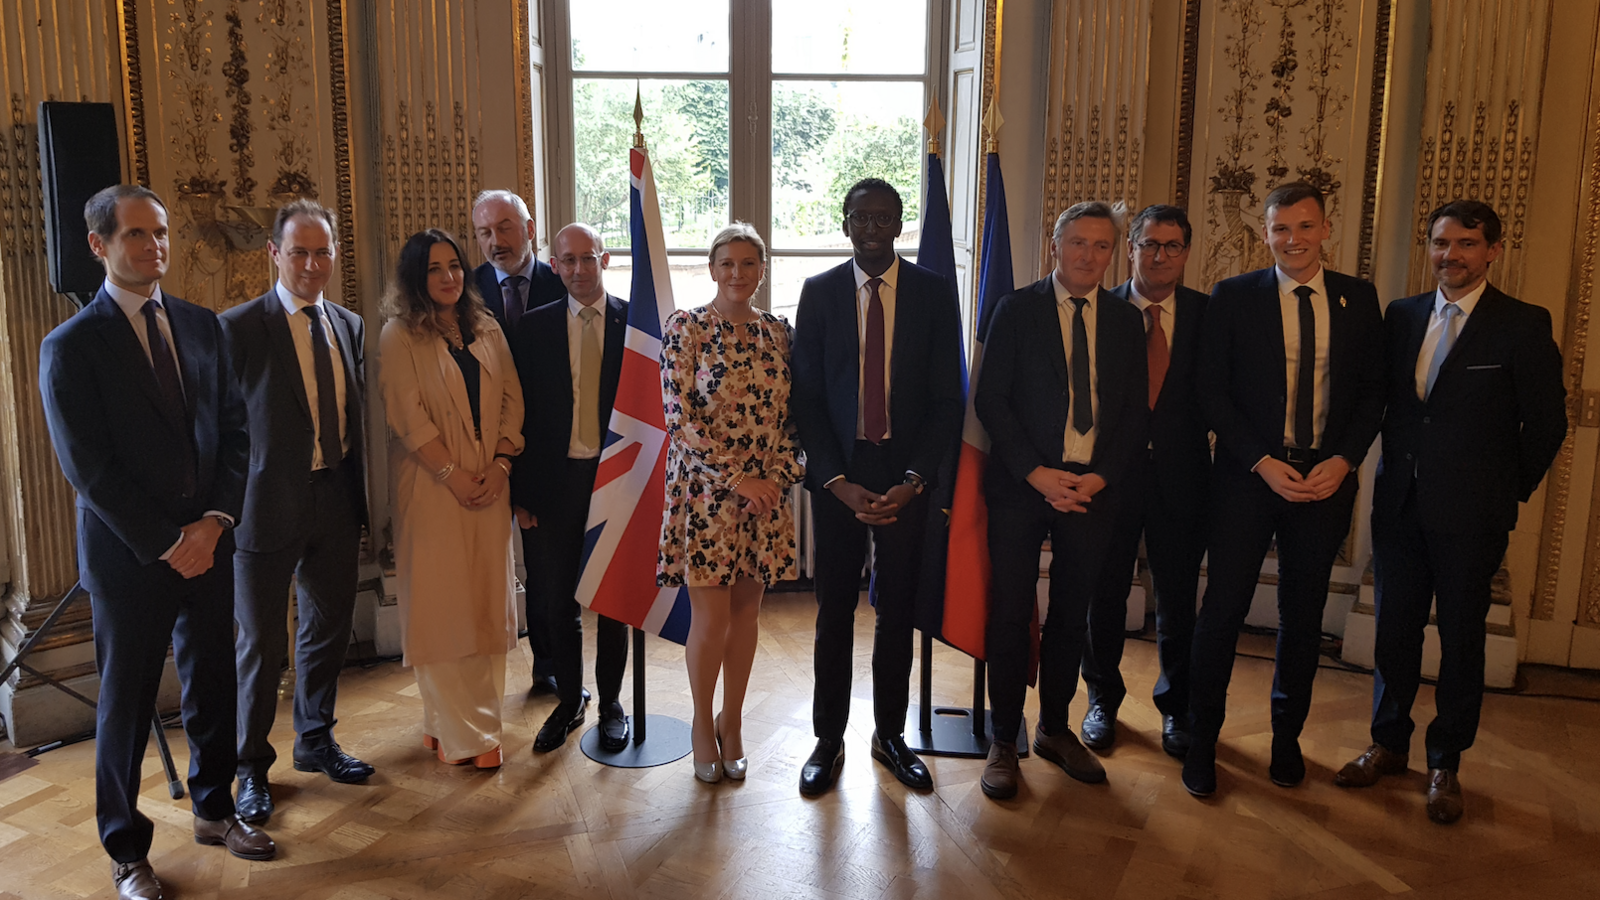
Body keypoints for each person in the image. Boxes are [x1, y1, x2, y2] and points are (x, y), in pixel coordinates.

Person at [39, 185, 273, 900]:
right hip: (129, 555)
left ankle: (214, 810)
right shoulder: (71, 346)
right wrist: (169, 541)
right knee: (128, 702)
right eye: (137, 235)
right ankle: (125, 850)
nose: (155, 247)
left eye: (162, 233)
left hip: (209, 540)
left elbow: (236, 433)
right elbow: (89, 468)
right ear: (99, 245)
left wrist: (214, 523)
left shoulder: (204, 326)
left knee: (212, 682)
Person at [1335, 200, 1566, 823]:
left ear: (1492, 251)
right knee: (1394, 633)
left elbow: (1546, 424)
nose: (1451, 255)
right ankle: (1387, 743)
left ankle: (1446, 762)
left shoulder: (1521, 324)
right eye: (1441, 243)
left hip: (1474, 515)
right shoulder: (1404, 315)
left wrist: (1503, 491)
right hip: (1400, 506)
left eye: (1466, 244)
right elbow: (1386, 402)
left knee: (1462, 640)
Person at [1184, 180, 1385, 798]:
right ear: (1266, 232)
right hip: (1250, 478)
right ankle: (1200, 740)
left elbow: (1375, 392)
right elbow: (1211, 391)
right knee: (1222, 611)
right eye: (1279, 229)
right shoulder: (1234, 295)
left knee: (1302, 617)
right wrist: (1261, 461)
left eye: (1303, 227)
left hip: (1324, 481)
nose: (1291, 240)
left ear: (1326, 229)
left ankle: (1286, 740)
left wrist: (1347, 459)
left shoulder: (1358, 297)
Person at [790, 178, 964, 796]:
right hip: (840, 472)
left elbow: (949, 399)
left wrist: (916, 480)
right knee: (834, 610)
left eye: (884, 217)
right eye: (860, 217)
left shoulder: (934, 293)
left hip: (905, 475)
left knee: (897, 612)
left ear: (899, 226)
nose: (871, 228)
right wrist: (835, 481)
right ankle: (827, 737)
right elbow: (804, 397)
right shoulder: (818, 294)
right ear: (845, 224)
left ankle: (890, 734)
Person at [974, 201, 1149, 801]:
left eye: (1102, 246)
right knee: (1011, 611)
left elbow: (1132, 415)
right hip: (1024, 487)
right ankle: (1004, 737)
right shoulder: (1015, 310)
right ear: (1055, 245)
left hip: (1093, 488)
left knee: (1073, 612)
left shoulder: (1127, 322)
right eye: (1078, 243)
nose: (1089, 256)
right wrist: (1036, 473)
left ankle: (1054, 727)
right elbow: (990, 400)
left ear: (1113, 253)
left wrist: (1100, 477)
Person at [220, 199, 373, 826]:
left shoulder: (348, 325)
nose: (313, 264)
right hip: (262, 510)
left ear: (335, 255)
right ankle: (251, 768)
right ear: (274, 254)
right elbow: (220, 429)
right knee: (259, 644)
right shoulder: (237, 328)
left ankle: (315, 740)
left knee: (327, 628)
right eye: (300, 252)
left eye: (323, 252)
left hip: (334, 498)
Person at [659, 223, 804, 784]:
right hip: (705, 494)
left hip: (763, 497)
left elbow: (795, 419)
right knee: (711, 618)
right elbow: (679, 419)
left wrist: (775, 478)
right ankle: (700, 723)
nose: (737, 273)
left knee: (747, 613)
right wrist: (737, 480)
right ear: (712, 268)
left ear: (761, 269)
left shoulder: (780, 333)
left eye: (749, 263)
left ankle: (733, 722)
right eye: (727, 264)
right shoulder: (687, 328)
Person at [379, 228, 525, 769]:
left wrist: (502, 462)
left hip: (491, 482)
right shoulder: (398, 335)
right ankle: (472, 738)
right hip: (432, 488)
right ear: (416, 278)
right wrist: (452, 473)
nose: (448, 277)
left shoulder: (485, 328)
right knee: (444, 611)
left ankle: (448, 725)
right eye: (435, 269)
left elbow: (512, 396)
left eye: (455, 266)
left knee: (486, 607)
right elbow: (406, 415)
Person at [1078, 205, 1210, 758]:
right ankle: (1102, 699)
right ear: (1129, 248)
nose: (1160, 256)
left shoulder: (1210, 314)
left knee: (1177, 598)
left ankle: (1176, 707)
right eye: (1149, 244)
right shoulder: (1099, 313)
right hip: (1110, 475)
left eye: (1173, 246)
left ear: (1185, 252)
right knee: (1103, 592)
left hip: (1182, 477)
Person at [509, 223, 631, 754]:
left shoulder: (637, 325)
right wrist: (521, 495)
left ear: (604, 260)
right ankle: (568, 700)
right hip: (552, 486)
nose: (578, 270)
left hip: (616, 482)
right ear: (553, 265)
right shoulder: (530, 329)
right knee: (556, 598)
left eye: (588, 258)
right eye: (567, 261)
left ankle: (610, 703)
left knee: (613, 600)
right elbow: (519, 419)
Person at [470, 189, 566, 694]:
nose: (495, 241)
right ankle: (479, 673)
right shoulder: (463, 290)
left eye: (505, 227)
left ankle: (547, 663)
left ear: (530, 228)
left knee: (546, 569)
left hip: (546, 452)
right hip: (480, 454)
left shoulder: (562, 281)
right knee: (480, 566)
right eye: (485, 232)